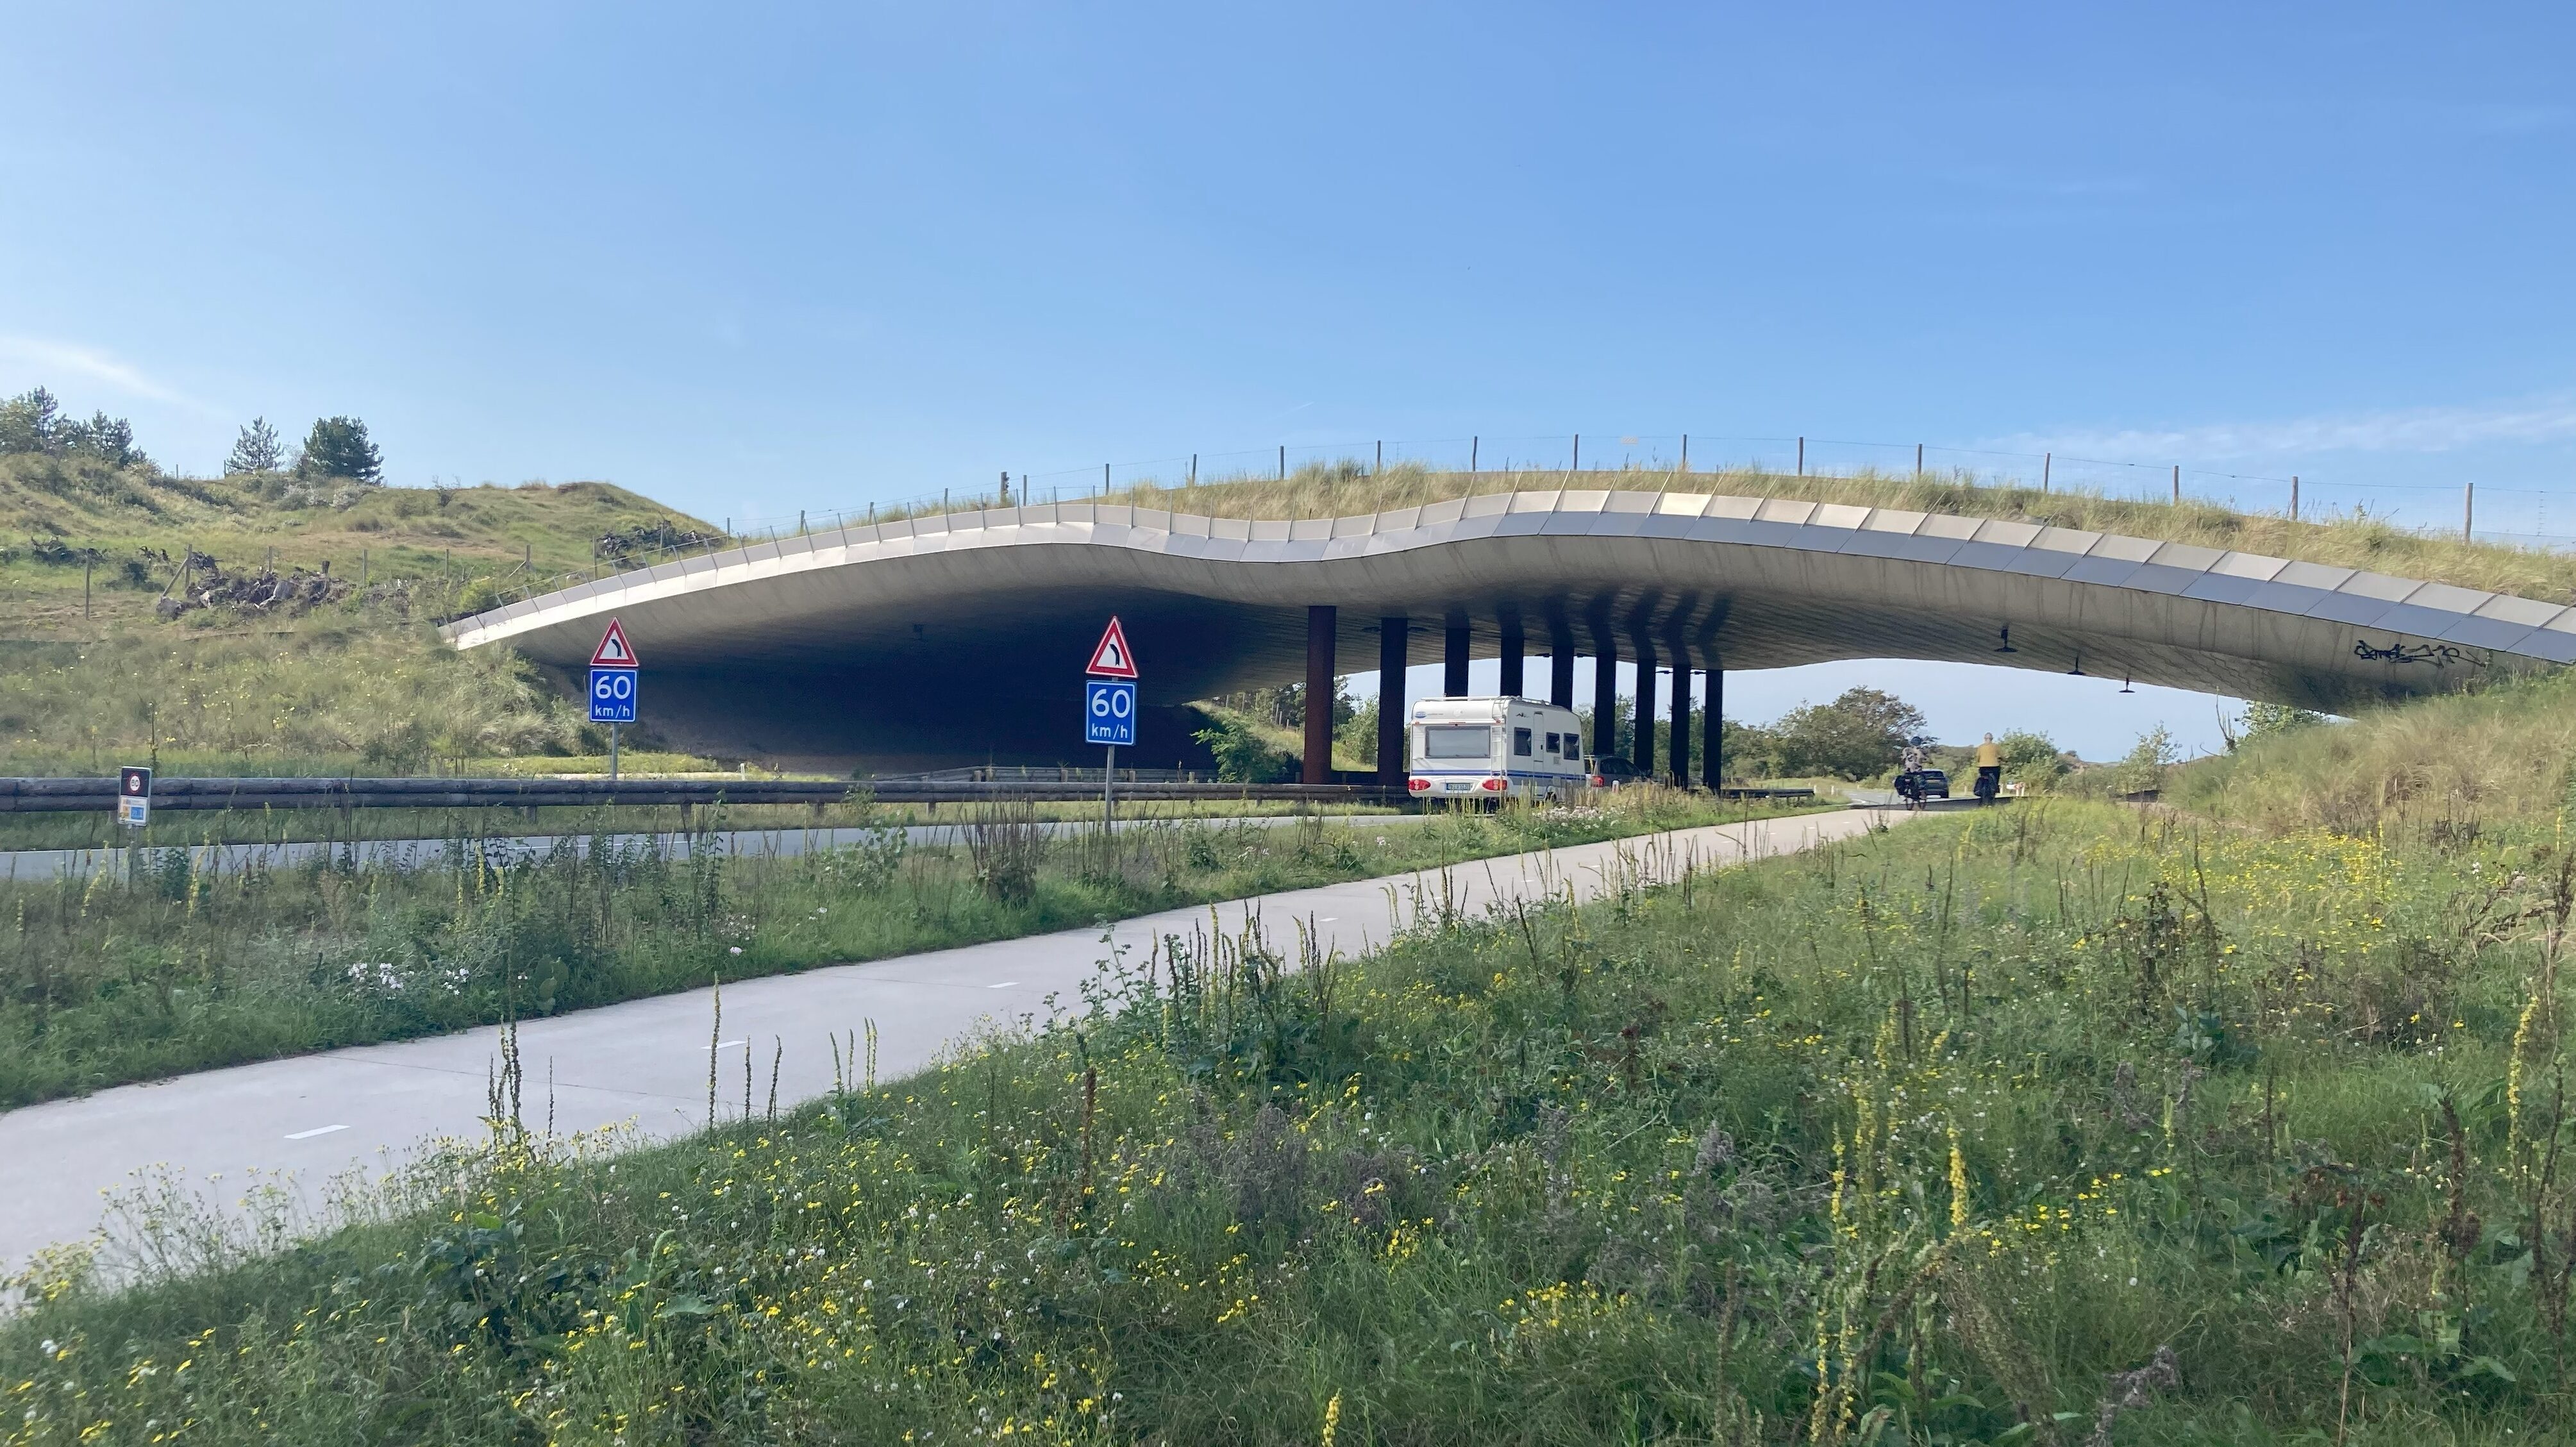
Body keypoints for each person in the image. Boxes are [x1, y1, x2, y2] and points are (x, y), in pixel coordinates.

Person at [1974, 732, 2002, 803]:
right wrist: (2004, 760)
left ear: (1984, 739)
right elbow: (2002, 756)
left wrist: (1978, 762)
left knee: (1982, 777)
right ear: (1992, 739)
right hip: (1994, 767)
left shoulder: (1980, 747)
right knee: (1995, 779)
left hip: (1983, 767)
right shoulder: (1996, 746)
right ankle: (1995, 788)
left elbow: (1977, 757)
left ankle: (1980, 788)